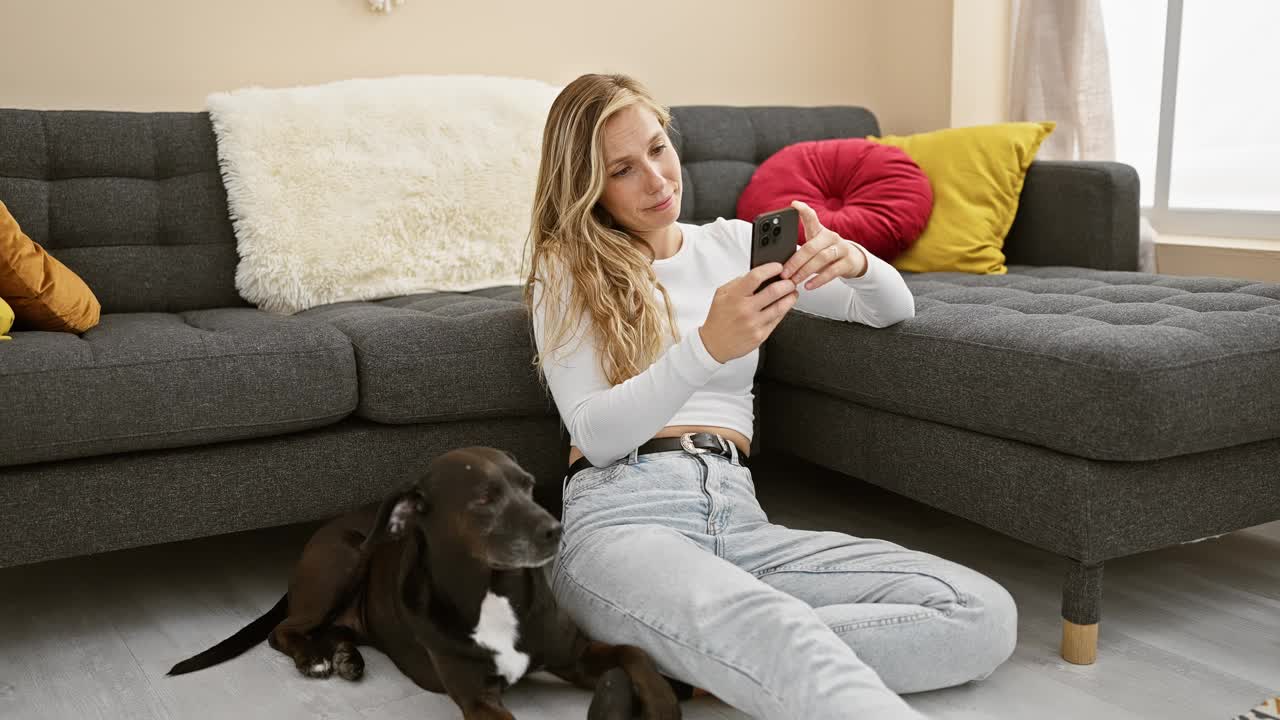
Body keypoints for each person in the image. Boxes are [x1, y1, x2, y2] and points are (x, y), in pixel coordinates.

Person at [521, 73, 1016, 720]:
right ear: (589, 188)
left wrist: (856, 261)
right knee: (777, 628)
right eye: (622, 169)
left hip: (738, 515)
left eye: (658, 148)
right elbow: (599, 433)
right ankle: (728, 643)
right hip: (621, 519)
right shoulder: (565, 268)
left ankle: (680, 667)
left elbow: (892, 309)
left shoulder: (733, 244)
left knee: (981, 614)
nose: (657, 178)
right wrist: (707, 347)